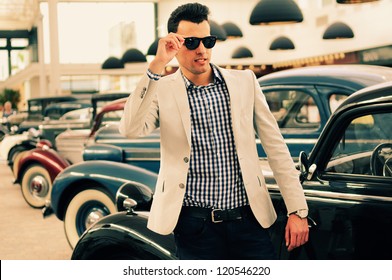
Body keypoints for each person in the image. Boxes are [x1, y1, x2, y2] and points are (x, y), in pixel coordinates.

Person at [119, 2, 308, 260]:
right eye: (191, 42)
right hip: (195, 227)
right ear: (174, 44)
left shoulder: (245, 82)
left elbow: (276, 148)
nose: (202, 50)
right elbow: (130, 129)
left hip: (249, 221)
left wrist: (297, 210)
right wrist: (157, 64)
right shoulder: (162, 90)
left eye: (208, 41)